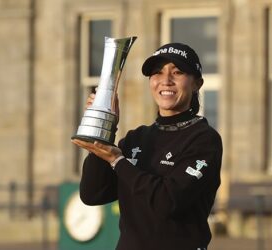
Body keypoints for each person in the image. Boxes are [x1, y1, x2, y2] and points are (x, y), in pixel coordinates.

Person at [72, 42, 223, 250]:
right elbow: (93, 194)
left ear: (197, 83)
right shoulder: (137, 138)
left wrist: (117, 161)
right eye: (157, 73)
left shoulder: (204, 140)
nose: (166, 81)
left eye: (177, 72)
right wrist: (105, 130)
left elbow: (167, 201)